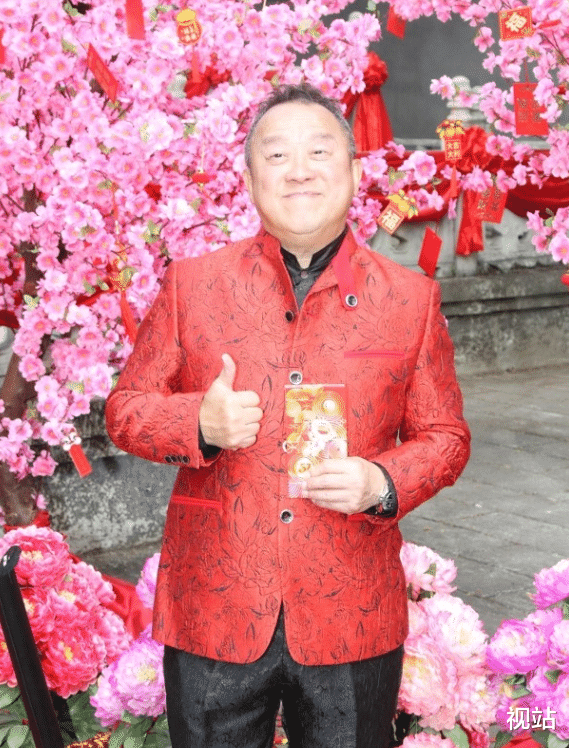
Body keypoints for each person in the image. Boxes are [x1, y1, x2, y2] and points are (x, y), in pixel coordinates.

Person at [105, 83, 471, 748]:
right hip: (215, 605)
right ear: (249, 179)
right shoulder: (192, 284)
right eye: (276, 156)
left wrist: (381, 481)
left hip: (351, 607)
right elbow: (125, 410)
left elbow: (443, 436)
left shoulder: (409, 299)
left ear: (353, 172)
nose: (299, 170)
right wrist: (198, 424)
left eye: (318, 152)